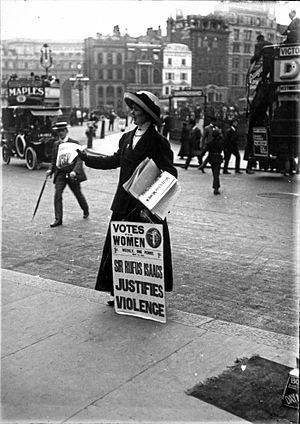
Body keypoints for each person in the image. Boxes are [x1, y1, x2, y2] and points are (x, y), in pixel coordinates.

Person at [77, 91, 177, 307]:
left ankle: (148, 294)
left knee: (146, 253)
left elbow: (170, 175)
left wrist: (150, 201)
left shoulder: (158, 142)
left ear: (147, 114)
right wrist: (86, 158)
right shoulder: (127, 137)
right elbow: (114, 161)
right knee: (118, 249)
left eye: (137, 109)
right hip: (123, 204)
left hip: (145, 209)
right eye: (132, 108)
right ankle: (118, 291)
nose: (132, 112)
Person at [46, 122, 89, 228]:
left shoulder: (74, 143)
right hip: (60, 174)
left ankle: (85, 209)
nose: (60, 133)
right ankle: (58, 219)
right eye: (58, 131)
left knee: (78, 194)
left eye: (62, 131)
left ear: (66, 131)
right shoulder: (56, 144)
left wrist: (75, 171)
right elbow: (54, 160)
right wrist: (50, 170)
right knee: (57, 195)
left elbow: (79, 159)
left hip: (71, 174)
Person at [199, 128, 224, 195]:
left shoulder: (210, 143)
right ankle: (216, 187)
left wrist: (201, 156)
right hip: (218, 158)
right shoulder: (220, 142)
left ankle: (216, 186)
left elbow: (204, 151)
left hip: (212, 158)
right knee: (216, 173)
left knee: (214, 173)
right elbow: (225, 150)